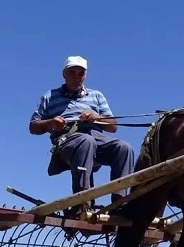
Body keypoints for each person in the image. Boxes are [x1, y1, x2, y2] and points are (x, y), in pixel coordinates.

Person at [29, 55, 135, 215]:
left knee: (124, 148)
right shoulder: (49, 96)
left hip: (98, 139)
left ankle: (119, 203)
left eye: (81, 73)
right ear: (64, 74)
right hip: (68, 141)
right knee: (86, 141)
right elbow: (33, 127)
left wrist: (96, 117)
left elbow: (113, 127)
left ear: (85, 75)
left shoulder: (97, 96)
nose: (76, 77)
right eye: (72, 72)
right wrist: (51, 123)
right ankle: (82, 202)